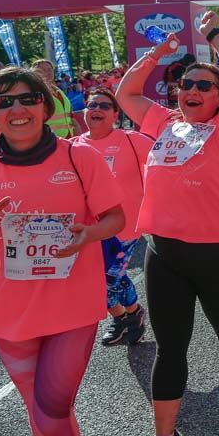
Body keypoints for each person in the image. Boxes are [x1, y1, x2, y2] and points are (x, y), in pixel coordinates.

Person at [0, 67, 125, 436]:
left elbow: (115, 218)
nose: (17, 109)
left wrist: (89, 234)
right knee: (40, 412)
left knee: (51, 407)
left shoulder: (80, 156)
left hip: (72, 309)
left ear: (44, 107)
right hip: (11, 317)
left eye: (28, 98)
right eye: (2, 102)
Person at [116, 10, 219, 436]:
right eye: (186, 84)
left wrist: (212, 35)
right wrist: (158, 50)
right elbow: (126, 93)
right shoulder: (163, 124)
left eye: (203, 85)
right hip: (165, 253)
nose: (191, 90)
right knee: (171, 346)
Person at [73, 87, 154, 347]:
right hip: (92, 229)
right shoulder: (74, 146)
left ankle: (124, 317)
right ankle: (130, 315)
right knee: (102, 279)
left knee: (105, 281)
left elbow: (167, 163)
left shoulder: (131, 140)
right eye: (92, 105)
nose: (96, 109)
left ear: (116, 114)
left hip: (127, 227)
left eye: (104, 106)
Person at [32, 59, 80, 138]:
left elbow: (70, 116)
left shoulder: (58, 90)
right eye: (42, 70)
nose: (48, 72)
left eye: (49, 69)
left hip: (69, 139)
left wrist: (77, 133)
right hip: (50, 141)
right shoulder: (36, 93)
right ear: (35, 73)